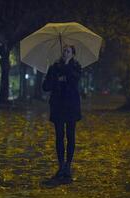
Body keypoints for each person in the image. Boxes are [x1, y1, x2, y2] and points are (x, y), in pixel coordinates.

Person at [42, 44, 82, 181]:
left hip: (71, 106)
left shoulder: (76, 66)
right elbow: (45, 86)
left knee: (71, 136)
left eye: (68, 51)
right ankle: (60, 166)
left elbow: (75, 80)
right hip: (58, 106)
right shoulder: (54, 68)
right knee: (59, 136)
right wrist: (56, 80)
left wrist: (66, 67)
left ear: (73, 54)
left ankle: (68, 166)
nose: (65, 52)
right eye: (64, 50)